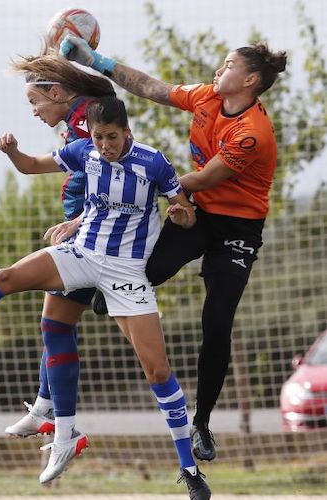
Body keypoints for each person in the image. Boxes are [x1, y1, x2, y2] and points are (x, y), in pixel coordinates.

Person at [0, 96, 211, 499]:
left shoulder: (153, 163)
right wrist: (12, 151)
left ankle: (189, 469)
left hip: (126, 271)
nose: (105, 145)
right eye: (98, 137)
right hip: (81, 254)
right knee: (6, 278)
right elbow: (31, 166)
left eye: (112, 136)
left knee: (158, 372)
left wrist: (182, 215)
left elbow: (184, 209)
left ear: (127, 132)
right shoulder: (84, 152)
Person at [60, 36, 287, 462]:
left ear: (250, 79)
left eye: (228, 65)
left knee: (217, 323)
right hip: (196, 215)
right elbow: (151, 88)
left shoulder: (252, 133)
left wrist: (141, 177)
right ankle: (110, 294)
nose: (219, 71)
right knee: (145, 271)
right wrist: (96, 61)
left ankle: (200, 423)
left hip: (237, 228)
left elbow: (202, 179)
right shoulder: (206, 97)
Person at [0, 52, 115, 442]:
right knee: (55, 325)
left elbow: (111, 173)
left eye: (34, 101)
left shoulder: (87, 119)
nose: (33, 111)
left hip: (90, 237)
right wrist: (13, 152)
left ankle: (60, 425)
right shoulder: (76, 121)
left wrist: (82, 220)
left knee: (53, 323)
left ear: (58, 91)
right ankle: (47, 414)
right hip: (87, 233)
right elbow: (33, 165)